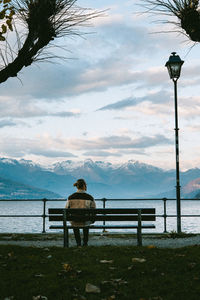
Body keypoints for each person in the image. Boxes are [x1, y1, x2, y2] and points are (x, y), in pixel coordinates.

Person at [65, 178, 96, 247]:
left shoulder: (70, 197)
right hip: (85, 221)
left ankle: (78, 243)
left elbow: (66, 210)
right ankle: (85, 243)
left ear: (77, 186)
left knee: (74, 223)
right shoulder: (90, 197)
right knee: (86, 222)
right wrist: (92, 220)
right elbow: (94, 210)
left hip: (74, 220)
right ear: (84, 186)